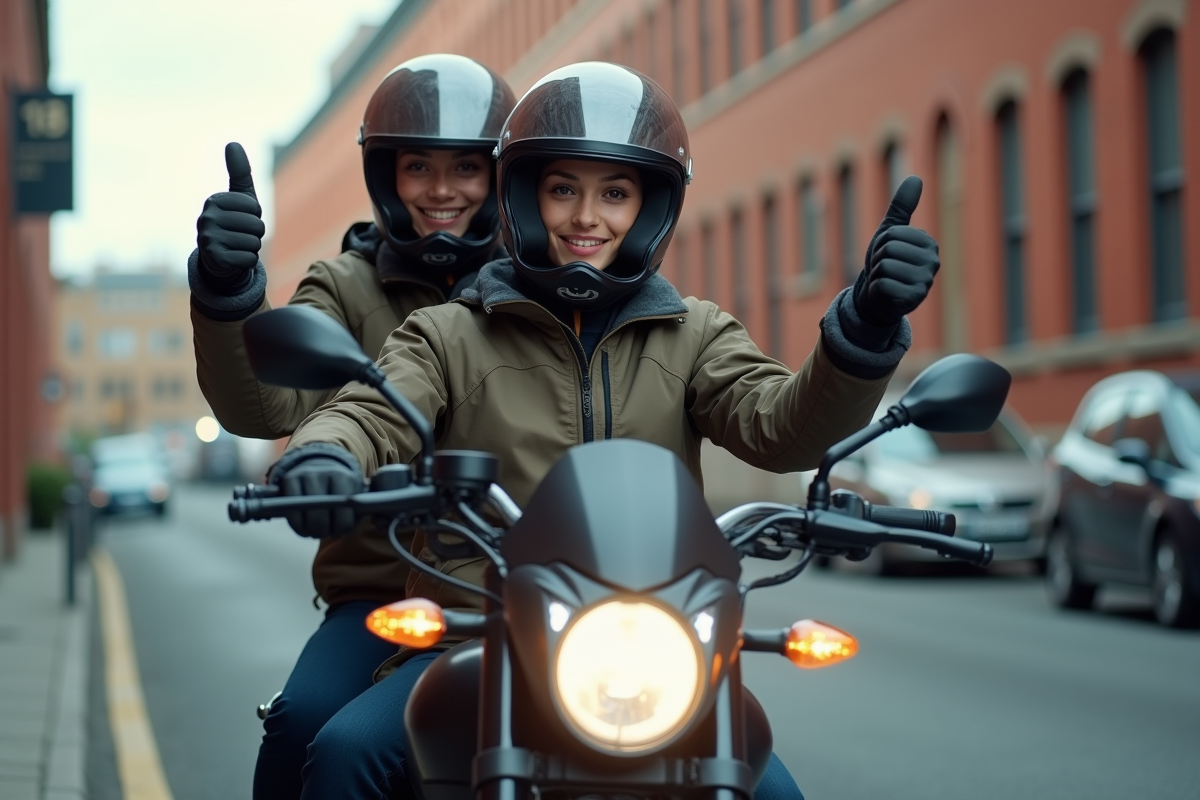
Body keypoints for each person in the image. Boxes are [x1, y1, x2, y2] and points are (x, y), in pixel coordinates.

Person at [270, 62, 940, 799]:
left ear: (650, 207)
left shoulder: (696, 333)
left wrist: (865, 328)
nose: (588, 216)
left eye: (615, 192)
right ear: (523, 197)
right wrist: (327, 453)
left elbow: (782, 427)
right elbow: (372, 411)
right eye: (563, 189)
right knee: (343, 751)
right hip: (477, 633)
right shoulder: (448, 332)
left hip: (657, 642)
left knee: (772, 789)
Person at [187, 54, 516, 800]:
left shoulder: (537, 282)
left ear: (501, 176)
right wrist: (228, 288)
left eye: (466, 167)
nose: (441, 190)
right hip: (381, 588)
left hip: (534, 587)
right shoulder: (344, 284)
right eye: (417, 166)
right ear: (384, 178)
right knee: (305, 725)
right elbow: (261, 406)